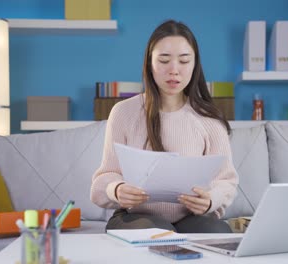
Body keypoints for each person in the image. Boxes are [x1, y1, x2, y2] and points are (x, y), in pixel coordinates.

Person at [91, 19, 238, 233]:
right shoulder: (123, 112)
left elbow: (226, 181)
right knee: (158, 233)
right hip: (135, 216)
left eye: (184, 61)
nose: (174, 70)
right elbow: (103, 179)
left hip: (190, 217)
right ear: (149, 64)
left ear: (195, 64)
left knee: (219, 231)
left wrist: (211, 200)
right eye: (164, 60)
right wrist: (117, 189)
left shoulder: (210, 119)